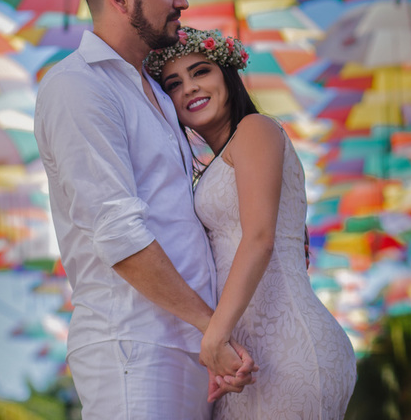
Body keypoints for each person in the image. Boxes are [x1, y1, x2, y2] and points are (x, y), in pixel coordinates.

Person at [33, 0, 255, 420]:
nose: (183, 1)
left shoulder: (157, 91)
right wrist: (210, 327)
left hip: (188, 346)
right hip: (133, 345)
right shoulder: (77, 87)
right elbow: (117, 231)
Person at [146, 26, 358, 419]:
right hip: (243, 356)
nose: (189, 88)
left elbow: (260, 239)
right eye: (174, 83)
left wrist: (213, 339)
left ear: (227, 74)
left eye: (201, 71)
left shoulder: (256, 129)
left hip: (287, 347)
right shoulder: (218, 162)